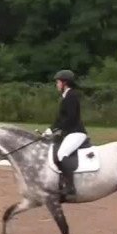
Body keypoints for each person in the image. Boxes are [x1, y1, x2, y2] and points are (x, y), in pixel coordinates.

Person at [43, 69, 87, 197]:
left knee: (62, 154)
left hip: (77, 133)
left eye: (58, 82)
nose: (56, 85)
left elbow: (71, 118)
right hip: (69, 133)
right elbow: (60, 119)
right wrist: (49, 130)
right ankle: (60, 182)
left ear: (65, 83)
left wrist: (56, 130)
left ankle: (70, 187)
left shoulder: (72, 96)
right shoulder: (65, 96)